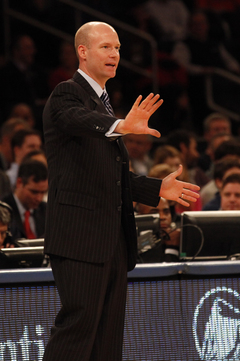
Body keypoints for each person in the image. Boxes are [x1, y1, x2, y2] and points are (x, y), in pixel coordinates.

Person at [42, 21, 200, 361]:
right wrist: (119, 126)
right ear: (82, 52)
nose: (114, 54)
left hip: (112, 238)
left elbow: (113, 177)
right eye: (105, 47)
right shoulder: (67, 94)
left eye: (116, 48)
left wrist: (158, 188)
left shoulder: (103, 102)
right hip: (80, 237)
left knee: (107, 339)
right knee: (79, 329)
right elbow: (74, 119)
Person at [2, 159, 48, 242]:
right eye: (34, 192)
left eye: (43, 193)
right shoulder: (3, 209)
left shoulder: (46, 210)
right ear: (19, 183)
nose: (39, 198)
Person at [137, 197, 180, 262]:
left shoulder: (179, 236)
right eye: (154, 213)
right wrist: (172, 248)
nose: (163, 217)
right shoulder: (135, 244)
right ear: (140, 216)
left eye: (166, 212)